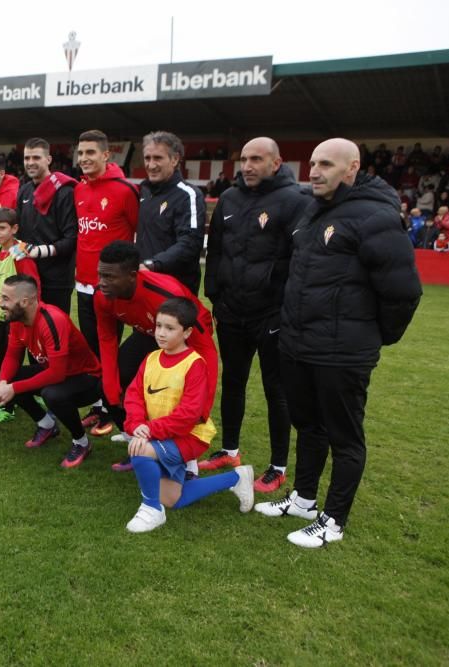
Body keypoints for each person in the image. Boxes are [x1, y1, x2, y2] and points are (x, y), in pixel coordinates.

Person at [255, 138, 422, 548]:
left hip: (342, 353)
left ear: (352, 168)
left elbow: (403, 291)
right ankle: (305, 500)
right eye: (312, 163)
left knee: (345, 438)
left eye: (326, 164)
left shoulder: (375, 216)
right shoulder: (314, 210)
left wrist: (372, 338)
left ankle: (333, 520)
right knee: (309, 426)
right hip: (299, 345)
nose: (314, 171)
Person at [202, 137, 310, 493]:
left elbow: (301, 260)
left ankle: (278, 466)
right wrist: (214, 294)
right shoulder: (230, 199)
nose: (247, 166)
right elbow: (215, 249)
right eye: (244, 159)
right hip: (232, 310)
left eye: (256, 159)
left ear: (276, 163)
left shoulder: (294, 201)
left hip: (271, 313)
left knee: (275, 389)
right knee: (232, 380)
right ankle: (230, 450)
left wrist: (285, 307)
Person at [123, 297, 254, 533]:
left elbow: (189, 415)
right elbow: (133, 396)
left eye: (170, 328)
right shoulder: (151, 358)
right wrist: (137, 424)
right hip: (162, 434)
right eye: (159, 326)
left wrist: (149, 431)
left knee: (139, 450)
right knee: (173, 499)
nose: (161, 333)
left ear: (187, 332)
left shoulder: (195, 364)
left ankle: (151, 509)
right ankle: (236, 479)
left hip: (190, 436)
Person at [93, 241, 218, 467]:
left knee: (173, 392)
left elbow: (205, 347)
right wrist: (111, 385)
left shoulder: (166, 294)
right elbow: (107, 338)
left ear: (132, 275)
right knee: (110, 386)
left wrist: (205, 404)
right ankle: (139, 445)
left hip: (187, 334)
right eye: (100, 274)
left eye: (110, 277)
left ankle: (179, 453)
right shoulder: (102, 295)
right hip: (148, 333)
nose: (102, 282)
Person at [0, 274, 102, 469]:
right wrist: (6, 382)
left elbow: (56, 374)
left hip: (87, 379)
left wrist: (13, 388)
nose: (0, 303)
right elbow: (13, 356)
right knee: (5, 378)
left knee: (52, 394)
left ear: (25, 301)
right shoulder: (17, 319)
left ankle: (81, 443)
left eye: (6, 298)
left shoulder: (52, 320)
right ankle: (47, 425)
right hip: (56, 372)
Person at [72, 129, 139, 358]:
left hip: (111, 286)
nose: (83, 158)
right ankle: (96, 394)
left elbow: (138, 232)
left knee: (108, 349)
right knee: (90, 350)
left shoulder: (126, 190)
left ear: (106, 155)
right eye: (80, 153)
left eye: (90, 152)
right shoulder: (79, 189)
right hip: (82, 284)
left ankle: (110, 392)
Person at [0, 208, 40, 424]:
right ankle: (11, 401)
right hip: (1, 316)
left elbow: (33, 286)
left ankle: (10, 405)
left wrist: (32, 316)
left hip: (20, 318)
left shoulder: (20, 255)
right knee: (2, 358)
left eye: (2, 228)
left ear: (14, 228)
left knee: (28, 360)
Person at [137, 131, 206, 294]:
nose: (151, 165)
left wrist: (152, 264)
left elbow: (190, 243)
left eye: (158, 158)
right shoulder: (144, 192)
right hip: (145, 283)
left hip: (175, 290)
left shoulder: (188, 195)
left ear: (175, 159)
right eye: (147, 158)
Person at [16, 137, 78, 315]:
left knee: (55, 330)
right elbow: (18, 231)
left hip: (56, 280)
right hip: (28, 275)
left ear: (48, 160)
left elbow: (71, 239)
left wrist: (41, 251)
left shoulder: (64, 192)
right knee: (29, 329)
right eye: (27, 158)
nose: (30, 162)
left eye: (36, 157)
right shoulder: (25, 190)